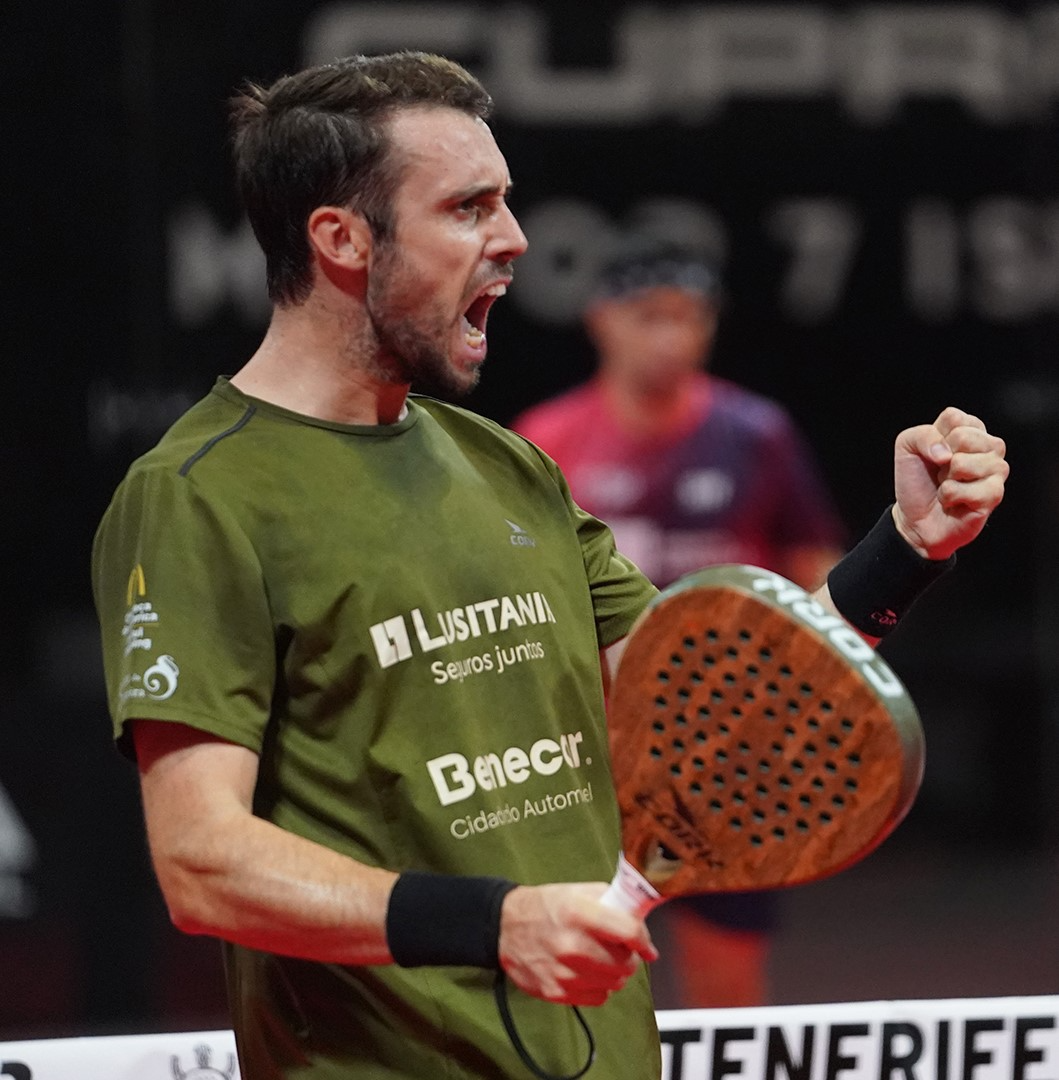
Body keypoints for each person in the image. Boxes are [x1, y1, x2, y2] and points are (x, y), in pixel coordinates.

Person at [90, 52, 1009, 1080]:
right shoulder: (199, 496)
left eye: (505, 201)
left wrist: (906, 549)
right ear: (341, 239)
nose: (515, 239)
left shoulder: (507, 466)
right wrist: (496, 922)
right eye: (468, 207)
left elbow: (717, 713)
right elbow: (202, 863)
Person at [511, 243, 845, 1007]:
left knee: (726, 982)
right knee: (569, 976)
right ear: (601, 320)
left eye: (689, 318)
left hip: (728, 754)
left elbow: (815, 570)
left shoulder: (756, 433)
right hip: (591, 757)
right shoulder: (546, 438)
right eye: (649, 317)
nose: (671, 337)